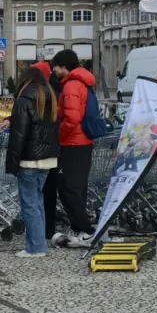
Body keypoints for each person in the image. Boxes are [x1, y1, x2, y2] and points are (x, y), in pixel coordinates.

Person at [5, 66, 60, 258]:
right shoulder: (50, 96)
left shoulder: (23, 99)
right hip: (47, 158)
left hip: (29, 159)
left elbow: (19, 135)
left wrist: (12, 162)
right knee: (37, 202)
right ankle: (38, 243)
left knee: (29, 203)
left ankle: (36, 247)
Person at [50, 49, 97, 248]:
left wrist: (58, 136)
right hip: (83, 142)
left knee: (68, 188)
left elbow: (72, 118)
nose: (53, 70)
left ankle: (85, 229)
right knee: (78, 187)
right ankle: (80, 228)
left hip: (72, 144)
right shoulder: (83, 82)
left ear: (64, 67)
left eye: (56, 67)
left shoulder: (71, 86)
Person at [32, 61, 62, 242]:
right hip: (51, 149)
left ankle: (43, 229)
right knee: (48, 191)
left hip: (40, 149)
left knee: (39, 191)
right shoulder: (54, 93)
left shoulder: (43, 95)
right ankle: (47, 227)